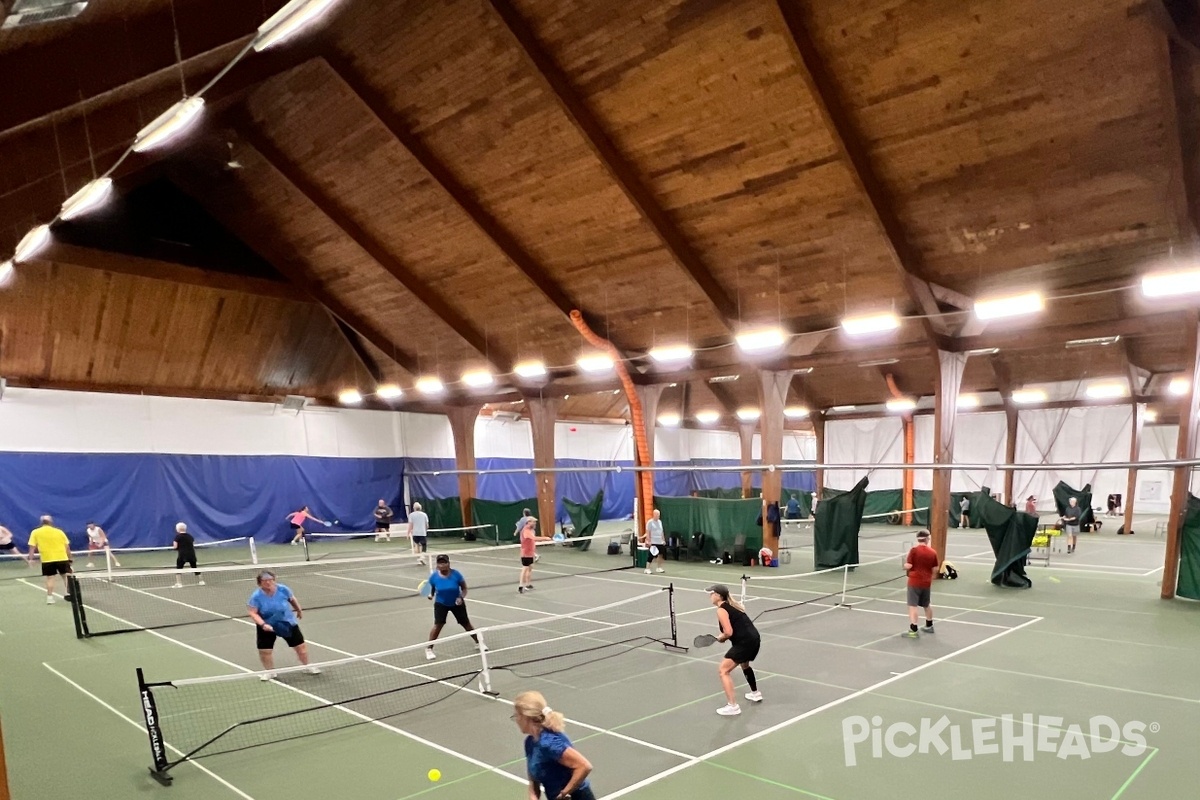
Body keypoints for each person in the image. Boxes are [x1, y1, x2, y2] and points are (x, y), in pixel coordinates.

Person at [513, 690, 595, 800]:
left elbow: (584, 766)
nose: (516, 720)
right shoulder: (530, 743)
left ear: (527, 717)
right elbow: (533, 781)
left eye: (517, 716)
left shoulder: (549, 742)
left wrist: (564, 793)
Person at [247, 570, 319, 680]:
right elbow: (253, 612)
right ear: (260, 583)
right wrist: (263, 625)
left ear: (274, 580)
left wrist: (298, 609)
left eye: (270, 580)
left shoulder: (283, 589)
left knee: (301, 647)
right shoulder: (256, 596)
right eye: (265, 581)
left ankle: (307, 666)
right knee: (265, 651)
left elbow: (292, 599)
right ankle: (270, 672)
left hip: (287, 622)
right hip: (267, 625)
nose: (268, 582)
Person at [706, 583, 762, 716]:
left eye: (712, 593)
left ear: (718, 596)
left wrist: (722, 638)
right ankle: (755, 693)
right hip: (754, 639)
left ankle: (733, 706)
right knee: (744, 664)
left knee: (723, 670)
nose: (710, 596)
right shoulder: (732, 606)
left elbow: (729, 632)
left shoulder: (721, 610)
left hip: (744, 643)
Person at [424, 553, 485, 660]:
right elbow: (433, 587)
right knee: (438, 625)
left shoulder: (456, 574)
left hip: (457, 603)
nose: (442, 565)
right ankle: (429, 649)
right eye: (440, 563)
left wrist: (461, 598)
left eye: (444, 563)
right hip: (441, 603)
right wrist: (431, 594)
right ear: (437, 565)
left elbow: (464, 589)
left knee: (466, 623)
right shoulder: (434, 577)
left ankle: (478, 643)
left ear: (449, 564)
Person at [903, 530, 940, 638]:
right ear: (927, 539)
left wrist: (905, 565)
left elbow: (909, 566)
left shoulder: (914, 551)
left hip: (914, 582)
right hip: (926, 583)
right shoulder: (933, 552)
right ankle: (929, 625)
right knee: (926, 604)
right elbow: (935, 568)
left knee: (913, 605)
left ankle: (913, 629)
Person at [28, 515, 72, 604]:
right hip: (62, 558)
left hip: (47, 559)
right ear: (51, 522)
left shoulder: (35, 532)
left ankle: (50, 598)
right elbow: (67, 547)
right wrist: (70, 558)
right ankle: (67, 593)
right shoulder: (59, 532)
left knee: (50, 578)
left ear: (41, 522)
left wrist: (30, 559)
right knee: (66, 576)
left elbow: (32, 547)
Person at [518, 517, 552, 593]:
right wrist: (545, 538)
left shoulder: (532, 530)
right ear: (528, 522)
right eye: (533, 522)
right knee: (525, 568)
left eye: (535, 522)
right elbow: (533, 538)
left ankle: (528, 585)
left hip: (530, 553)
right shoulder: (526, 531)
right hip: (525, 553)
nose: (535, 524)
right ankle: (520, 586)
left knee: (530, 568)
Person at [172, 522, 204, 588]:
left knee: (178, 569)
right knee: (195, 568)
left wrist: (177, 548)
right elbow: (193, 544)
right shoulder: (190, 536)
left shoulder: (177, 537)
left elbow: (175, 546)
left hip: (182, 555)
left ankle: (179, 583)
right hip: (191, 554)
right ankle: (201, 581)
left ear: (177, 529)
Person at [643, 509, 666, 575]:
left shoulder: (660, 522)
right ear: (654, 515)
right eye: (657, 515)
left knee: (660, 555)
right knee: (651, 556)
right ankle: (647, 569)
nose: (658, 516)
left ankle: (659, 568)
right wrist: (649, 541)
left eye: (659, 515)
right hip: (653, 542)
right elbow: (648, 532)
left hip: (660, 542)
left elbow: (661, 532)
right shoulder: (650, 522)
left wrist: (663, 540)